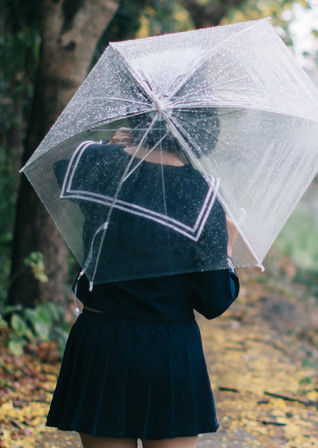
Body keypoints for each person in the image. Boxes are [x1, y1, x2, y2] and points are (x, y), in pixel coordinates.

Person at [46, 109, 240, 448]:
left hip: (100, 344)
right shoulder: (204, 197)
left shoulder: (101, 164)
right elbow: (214, 301)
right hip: (168, 351)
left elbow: (62, 171)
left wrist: (111, 144)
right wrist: (227, 252)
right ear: (199, 133)